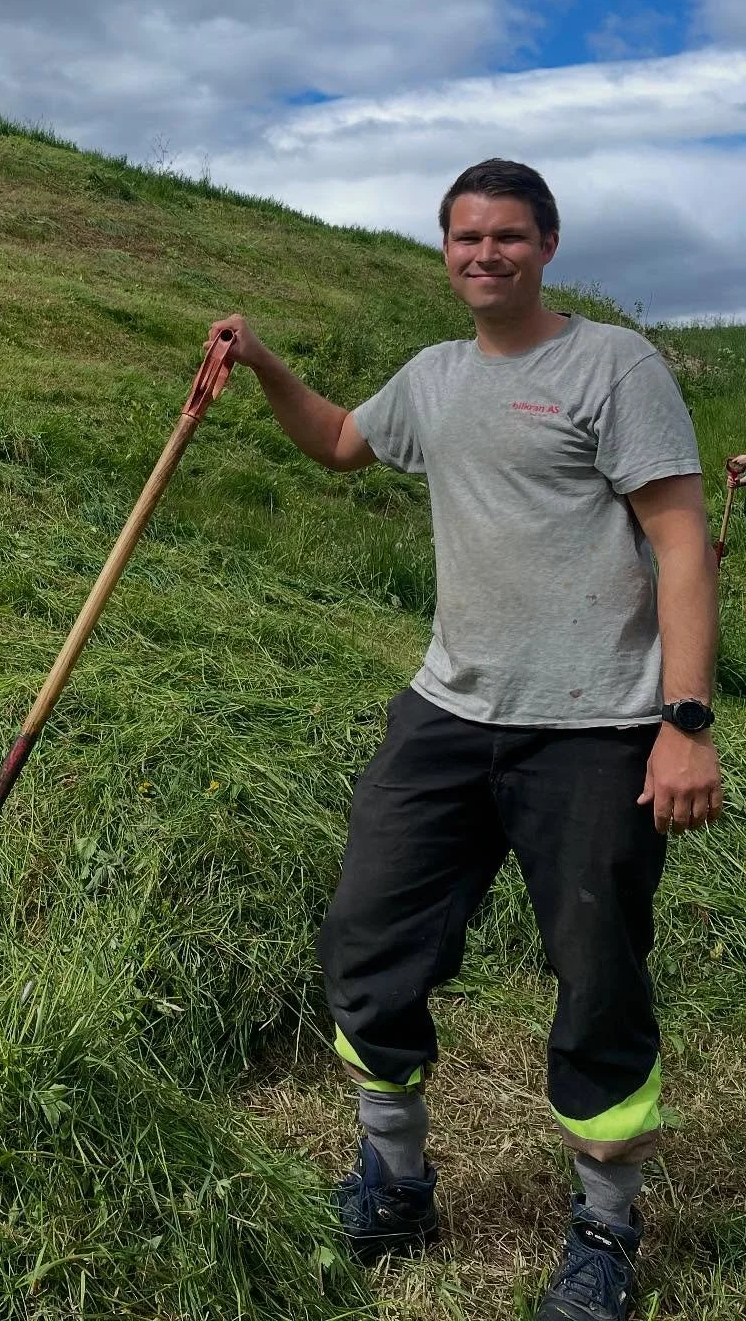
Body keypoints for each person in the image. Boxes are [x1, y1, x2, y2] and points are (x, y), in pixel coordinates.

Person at [209, 158, 720, 1321]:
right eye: (463, 239)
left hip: (596, 725)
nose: (483, 255)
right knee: (366, 939)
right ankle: (394, 1177)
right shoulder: (437, 379)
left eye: (506, 237)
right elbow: (341, 443)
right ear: (444, 253)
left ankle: (605, 1227)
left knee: (596, 974)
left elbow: (682, 543)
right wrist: (264, 366)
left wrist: (685, 722)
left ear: (546, 245)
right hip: (450, 710)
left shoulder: (612, 366)